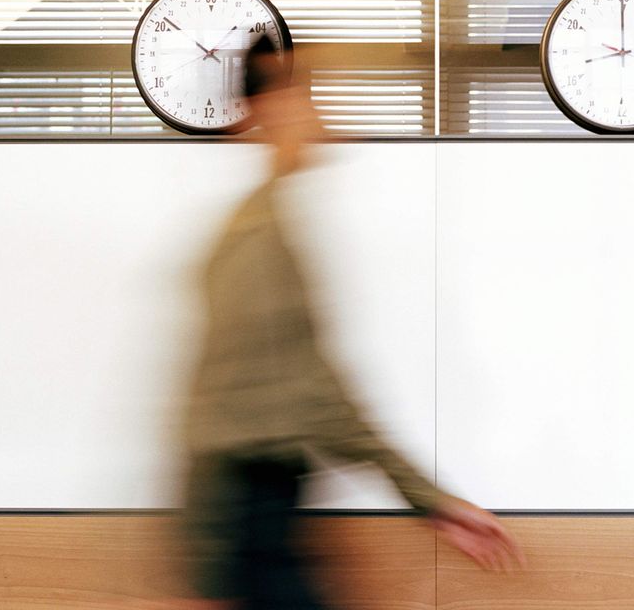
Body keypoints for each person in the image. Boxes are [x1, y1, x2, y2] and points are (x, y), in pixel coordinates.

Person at [180, 37, 523, 609]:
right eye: (311, 94)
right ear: (273, 105)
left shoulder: (265, 226)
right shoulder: (259, 238)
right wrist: (430, 499)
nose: (325, 115)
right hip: (247, 510)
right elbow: (318, 395)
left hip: (253, 511)